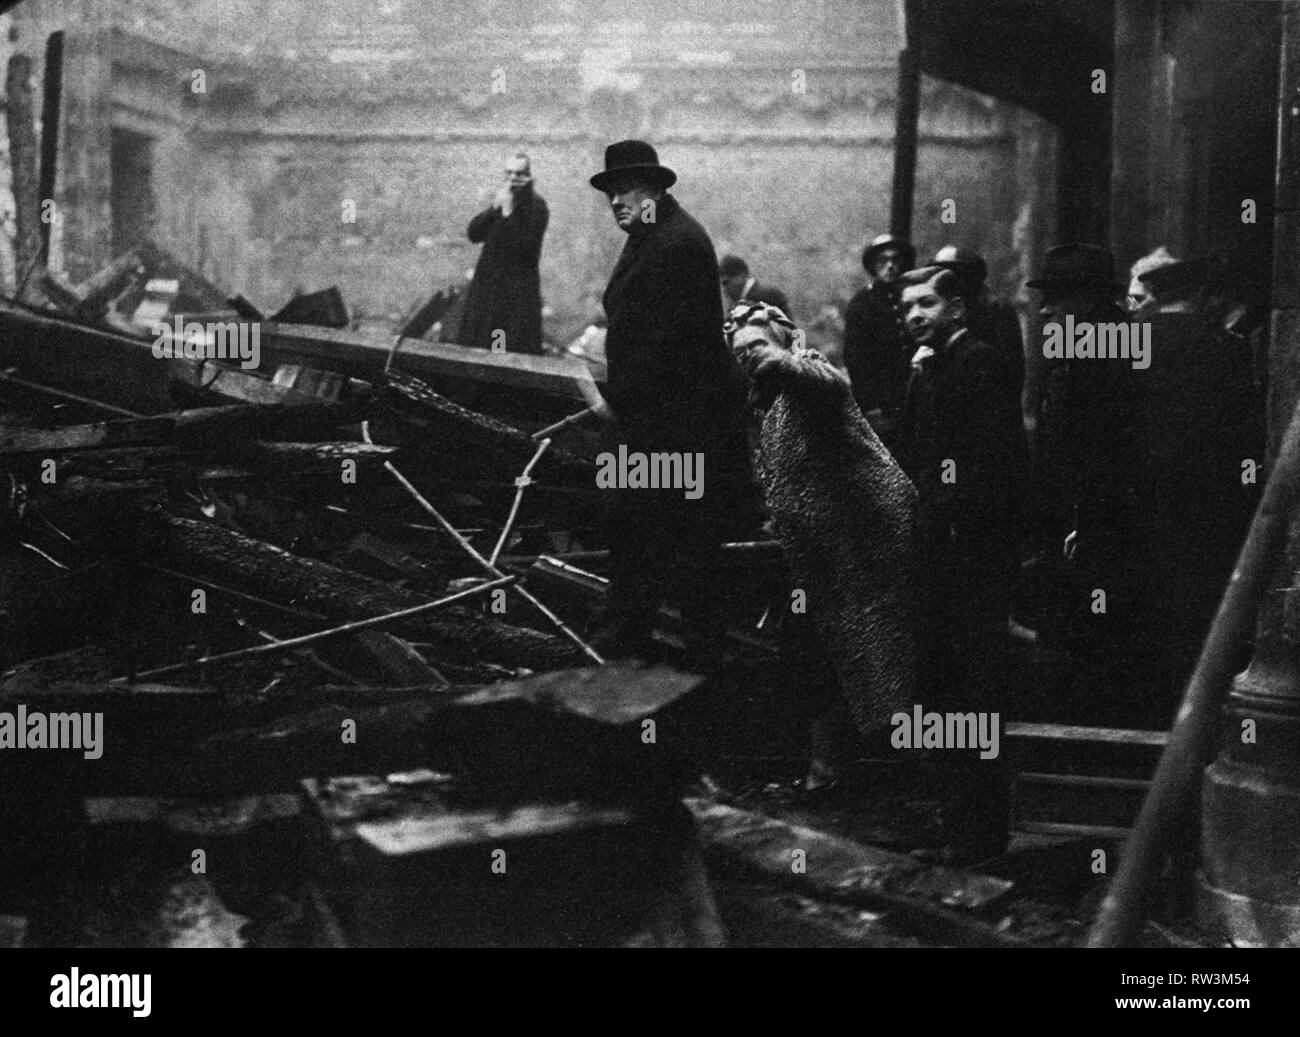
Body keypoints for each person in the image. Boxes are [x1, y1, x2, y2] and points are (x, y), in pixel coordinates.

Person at [584, 140, 755, 664]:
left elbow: (669, 351)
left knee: (666, 551)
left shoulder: (675, 242)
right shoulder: (652, 234)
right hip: (660, 426)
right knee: (661, 549)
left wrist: (612, 400)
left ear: (656, 189)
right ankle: (649, 667)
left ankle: (652, 675)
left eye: (627, 189)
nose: (616, 200)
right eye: (611, 191)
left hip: (677, 430)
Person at [896, 265, 1025, 862]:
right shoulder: (935, 367)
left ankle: (978, 836)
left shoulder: (977, 363)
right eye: (908, 307)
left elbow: (982, 463)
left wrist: (939, 518)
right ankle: (955, 825)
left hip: (969, 555)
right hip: (942, 552)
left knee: (972, 690)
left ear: (957, 309)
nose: (915, 315)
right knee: (944, 689)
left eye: (926, 303)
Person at [1129, 257, 1259, 718]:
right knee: (1193, 615)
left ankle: (1139, 715)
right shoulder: (1228, 347)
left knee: (1138, 613)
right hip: (1207, 507)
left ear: (1156, 294)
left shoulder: (1128, 340)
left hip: (1136, 502)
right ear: (1198, 296)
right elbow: (1245, 436)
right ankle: (1187, 718)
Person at [1028, 244, 1145, 717]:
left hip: (1100, 514)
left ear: (1086, 297)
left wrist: (1084, 518)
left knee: (1093, 623)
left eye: (1057, 296)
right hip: (1088, 511)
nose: (1047, 307)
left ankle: (1088, 721)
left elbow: (1104, 444)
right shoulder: (1094, 340)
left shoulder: (1105, 347)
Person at [457, 152, 549, 354]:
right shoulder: (503, 199)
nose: (513, 178)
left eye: (519, 173)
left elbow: (523, 248)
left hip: (514, 297)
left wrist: (507, 213)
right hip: (488, 290)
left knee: (502, 348)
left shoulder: (537, 206)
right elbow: (474, 234)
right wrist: (493, 210)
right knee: (479, 346)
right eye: (509, 173)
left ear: (529, 175)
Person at [843, 233, 915, 447]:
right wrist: (871, 406)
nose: (891, 266)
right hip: (882, 403)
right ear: (873, 267)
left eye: (896, 260)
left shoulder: (912, 298)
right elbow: (856, 360)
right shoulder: (862, 303)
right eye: (883, 261)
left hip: (912, 397)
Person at [718, 255, 793, 319]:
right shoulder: (734, 307)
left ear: (741, 275)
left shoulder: (770, 296)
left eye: (726, 283)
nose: (724, 290)